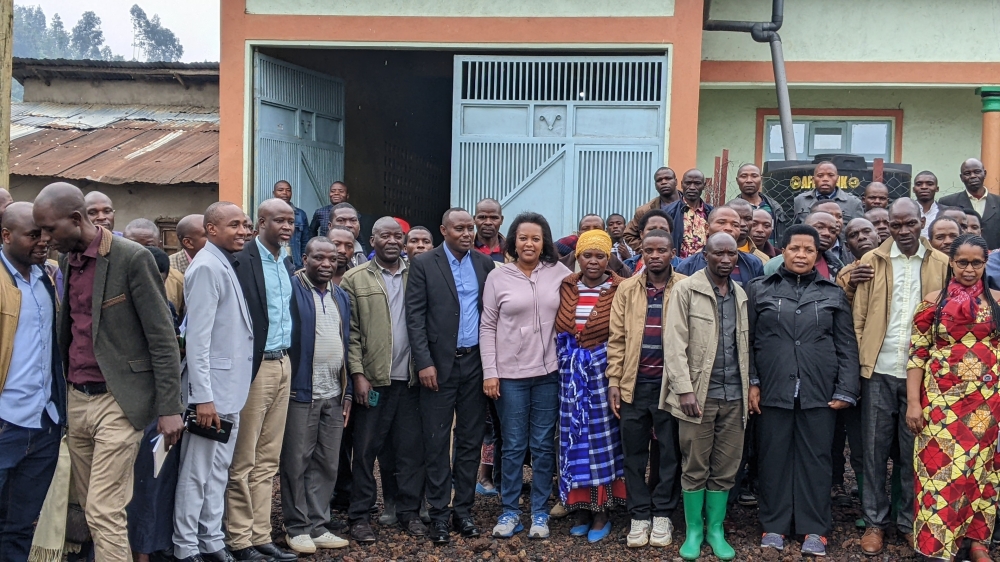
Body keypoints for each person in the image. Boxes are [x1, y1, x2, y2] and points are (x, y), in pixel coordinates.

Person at [33, 183, 183, 562]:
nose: (45, 239)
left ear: (75, 219)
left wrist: (169, 408)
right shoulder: (68, 259)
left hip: (120, 400)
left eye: (50, 229)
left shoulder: (131, 258)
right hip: (77, 399)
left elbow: (163, 338)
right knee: (94, 508)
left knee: (103, 510)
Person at [747, 224, 860, 556]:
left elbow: (846, 346)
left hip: (819, 390)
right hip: (773, 388)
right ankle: (774, 525)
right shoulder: (760, 289)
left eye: (808, 250)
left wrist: (846, 389)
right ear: (783, 250)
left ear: (817, 254)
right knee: (773, 457)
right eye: (795, 248)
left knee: (817, 459)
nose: (801, 255)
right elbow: (747, 341)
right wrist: (753, 381)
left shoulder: (832, 293)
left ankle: (815, 528)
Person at [852, 197, 949, 556]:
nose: (904, 231)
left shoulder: (942, 263)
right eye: (896, 225)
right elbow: (859, 317)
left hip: (922, 375)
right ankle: (874, 523)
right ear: (887, 226)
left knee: (914, 454)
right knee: (874, 452)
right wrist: (862, 361)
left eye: (910, 223)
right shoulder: (872, 260)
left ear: (923, 221)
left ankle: (908, 523)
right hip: (878, 370)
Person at [906, 233, 1000, 561]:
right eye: (962, 262)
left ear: (986, 263)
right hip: (940, 404)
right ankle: (934, 548)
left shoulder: (997, 301)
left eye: (976, 263)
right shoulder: (933, 302)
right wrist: (914, 403)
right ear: (951, 262)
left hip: (986, 405)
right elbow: (917, 353)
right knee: (938, 473)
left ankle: (976, 543)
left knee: (981, 471)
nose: (969, 269)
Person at [406, 207, 496, 545]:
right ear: (443, 231)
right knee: (436, 440)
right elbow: (414, 316)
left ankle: (464, 511)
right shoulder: (424, 264)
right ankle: (439, 514)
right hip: (438, 366)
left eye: (470, 228)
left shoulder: (485, 265)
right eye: (459, 228)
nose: (467, 233)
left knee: (470, 440)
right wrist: (424, 362)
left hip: (475, 364)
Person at [172, 202, 255, 562]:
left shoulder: (224, 263)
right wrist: (202, 398)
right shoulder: (206, 267)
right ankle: (186, 546)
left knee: (218, 470)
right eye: (234, 225)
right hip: (211, 395)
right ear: (211, 229)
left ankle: (212, 540)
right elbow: (197, 339)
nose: (243, 231)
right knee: (196, 472)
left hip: (229, 390)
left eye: (245, 225)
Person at [482, 212, 571, 540]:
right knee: (513, 444)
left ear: (544, 241)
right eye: (523, 238)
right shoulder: (498, 276)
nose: (529, 244)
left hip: (549, 373)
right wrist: (490, 372)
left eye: (536, 238)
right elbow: (487, 325)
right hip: (509, 376)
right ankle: (509, 512)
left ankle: (539, 513)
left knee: (543, 445)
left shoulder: (559, 273)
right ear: (513, 242)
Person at [664, 232, 750, 562]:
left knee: (726, 466)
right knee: (695, 464)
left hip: (734, 395)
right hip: (699, 394)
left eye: (732, 254)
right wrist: (684, 389)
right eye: (719, 253)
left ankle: (715, 529)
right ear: (705, 254)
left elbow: (743, 346)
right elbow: (674, 343)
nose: (726, 259)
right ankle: (694, 531)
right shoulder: (686, 289)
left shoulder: (740, 294)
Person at [341, 218, 426, 543]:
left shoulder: (417, 274)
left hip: (410, 381)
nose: (392, 241)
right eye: (384, 235)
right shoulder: (354, 278)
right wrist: (358, 374)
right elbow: (351, 333)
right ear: (372, 240)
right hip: (374, 381)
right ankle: (360, 516)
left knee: (409, 452)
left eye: (397, 236)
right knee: (364, 452)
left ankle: (409, 512)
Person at [227, 199, 298, 561]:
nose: (287, 227)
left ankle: (261, 535)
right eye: (279, 220)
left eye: (291, 221)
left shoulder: (286, 261)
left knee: (268, 458)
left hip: (283, 363)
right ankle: (240, 540)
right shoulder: (241, 261)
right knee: (244, 459)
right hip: (254, 368)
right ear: (261, 223)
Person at [607, 229, 685, 548]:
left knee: (670, 452)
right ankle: (639, 515)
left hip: (671, 387)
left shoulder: (686, 287)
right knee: (634, 453)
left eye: (661, 250)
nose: (655, 255)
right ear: (642, 254)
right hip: (634, 384)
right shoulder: (627, 289)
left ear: (672, 253)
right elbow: (617, 339)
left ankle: (663, 513)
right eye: (649, 250)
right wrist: (614, 381)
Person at [280, 236, 353, 554]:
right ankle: (296, 527)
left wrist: (347, 393)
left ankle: (318, 524)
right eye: (319, 258)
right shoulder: (292, 289)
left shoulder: (340, 295)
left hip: (334, 392)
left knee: (326, 462)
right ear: (305, 259)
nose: (326, 264)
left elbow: (346, 341)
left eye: (332, 259)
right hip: (302, 391)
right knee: (297, 461)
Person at [0, 202, 64, 562]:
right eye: (33, 235)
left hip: (43, 424)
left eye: (46, 234)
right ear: (6, 236)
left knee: (21, 526)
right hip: (5, 421)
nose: (44, 241)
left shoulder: (48, 278)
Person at [553, 229, 625, 543]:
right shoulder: (567, 285)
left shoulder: (619, 288)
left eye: (600, 255)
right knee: (574, 440)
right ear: (578, 257)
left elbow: (623, 333)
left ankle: (601, 511)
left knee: (600, 443)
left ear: (608, 259)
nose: (593, 261)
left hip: (603, 377)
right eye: (587, 255)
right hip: (571, 379)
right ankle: (580, 507)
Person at [128, 246, 182, 562]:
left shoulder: (167, 308)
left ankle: (153, 547)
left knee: (156, 484)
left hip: (162, 409)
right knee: (142, 486)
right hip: (139, 408)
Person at [676, 207, 764, 287]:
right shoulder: (687, 266)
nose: (728, 228)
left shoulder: (753, 263)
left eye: (735, 225)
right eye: (721, 223)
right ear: (707, 228)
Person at [123, 219, 188, 320]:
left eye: (149, 246)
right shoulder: (112, 275)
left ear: (159, 246)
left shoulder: (176, 279)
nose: (140, 252)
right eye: (133, 246)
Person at [940, 158, 1000, 249]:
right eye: (967, 173)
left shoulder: (998, 202)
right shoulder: (948, 203)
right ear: (961, 178)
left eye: (977, 172)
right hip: (958, 254)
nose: (973, 176)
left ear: (985, 174)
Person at [792, 162, 865, 226]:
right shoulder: (800, 200)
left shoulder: (853, 203)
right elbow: (795, 229)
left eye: (831, 175)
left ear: (837, 179)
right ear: (813, 179)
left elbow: (858, 229)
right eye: (820, 175)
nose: (825, 179)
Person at [623, 167, 679, 250]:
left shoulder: (690, 205)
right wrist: (649, 248)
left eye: (668, 178)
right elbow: (628, 234)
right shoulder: (645, 211)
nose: (663, 182)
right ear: (655, 185)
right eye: (659, 180)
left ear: (676, 181)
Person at [664, 169, 714, 259]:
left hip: (705, 264)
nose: (692, 187)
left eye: (697, 183)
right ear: (681, 184)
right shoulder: (668, 212)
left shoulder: (712, 213)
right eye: (688, 183)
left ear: (704, 185)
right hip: (678, 264)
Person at [733, 163, 786, 243]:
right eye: (744, 176)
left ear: (761, 179)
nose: (749, 180)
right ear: (737, 181)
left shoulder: (775, 208)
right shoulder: (732, 210)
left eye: (754, 176)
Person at [836, 218, 880, 304]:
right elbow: (840, 307)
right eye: (853, 235)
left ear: (878, 237)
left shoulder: (894, 263)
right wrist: (851, 286)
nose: (861, 237)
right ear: (847, 246)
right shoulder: (844, 274)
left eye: (866, 231)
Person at [623, 209, 677, 275]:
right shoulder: (626, 265)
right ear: (641, 234)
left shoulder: (682, 267)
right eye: (652, 229)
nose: (657, 232)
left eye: (663, 230)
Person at [273, 180, 310, 269]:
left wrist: (303, 263)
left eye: (288, 190)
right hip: (273, 262)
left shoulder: (300, 215)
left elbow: (305, 242)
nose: (285, 193)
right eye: (280, 190)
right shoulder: (268, 213)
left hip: (295, 264)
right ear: (274, 193)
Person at [725, 198, 770, 263]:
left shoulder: (763, 260)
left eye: (748, 219)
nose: (742, 224)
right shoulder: (710, 254)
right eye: (737, 218)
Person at [329, 202, 368, 267]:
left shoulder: (362, 256)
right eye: (341, 220)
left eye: (353, 220)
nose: (348, 225)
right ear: (330, 226)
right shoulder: (321, 255)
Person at [913, 171, 940, 238]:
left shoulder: (944, 212)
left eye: (930, 184)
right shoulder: (906, 210)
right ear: (913, 189)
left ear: (937, 189)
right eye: (919, 184)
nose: (924, 187)